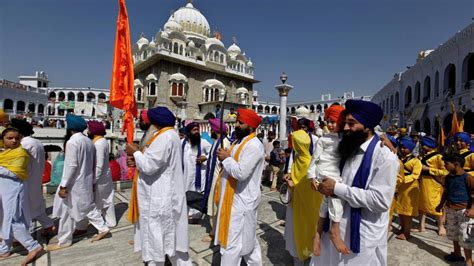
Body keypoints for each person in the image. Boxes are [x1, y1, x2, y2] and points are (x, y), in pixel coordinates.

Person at [312, 99, 399, 265]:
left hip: (362, 236)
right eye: (345, 123)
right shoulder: (347, 147)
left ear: (367, 126)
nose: (345, 128)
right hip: (336, 228)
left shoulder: (384, 156)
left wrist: (336, 188)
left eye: (351, 124)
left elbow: (380, 201)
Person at [126, 107, 191, 265]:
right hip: (162, 194)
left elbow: (149, 166)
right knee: (167, 241)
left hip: (159, 197)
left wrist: (135, 152)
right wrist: (138, 158)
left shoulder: (164, 137)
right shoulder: (169, 135)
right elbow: (155, 161)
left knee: (157, 239)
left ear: (154, 123)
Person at [48, 114, 109, 251]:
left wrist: (64, 185)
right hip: (85, 180)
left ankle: (64, 241)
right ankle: (103, 228)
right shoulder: (88, 141)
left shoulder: (72, 142)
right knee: (87, 206)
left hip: (73, 182)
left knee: (66, 211)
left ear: (69, 127)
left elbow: (71, 165)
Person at [215, 108, 264, 265]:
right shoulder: (238, 142)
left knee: (232, 243)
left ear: (250, 127)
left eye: (240, 123)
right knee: (248, 240)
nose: (236, 125)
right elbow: (230, 164)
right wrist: (223, 157)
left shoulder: (254, 146)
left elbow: (241, 172)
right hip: (233, 200)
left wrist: (226, 159)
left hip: (242, 202)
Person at [0, 127, 46, 264]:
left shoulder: (21, 153)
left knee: (13, 221)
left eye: (17, 138)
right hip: (5, 191)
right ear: (2, 140)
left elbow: (14, 173)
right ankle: (4, 249)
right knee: (5, 219)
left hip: (14, 191)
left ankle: (33, 246)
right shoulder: (6, 153)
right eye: (10, 138)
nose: (14, 140)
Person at [284, 117, 322, 264]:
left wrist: (293, 184)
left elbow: (307, 184)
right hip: (297, 204)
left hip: (304, 206)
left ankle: (303, 255)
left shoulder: (307, 162)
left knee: (301, 231)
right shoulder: (302, 158)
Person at [11, 118, 55, 236]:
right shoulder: (37, 142)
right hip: (36, 178)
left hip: (27, 180)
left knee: (24, 209)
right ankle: (48, 226)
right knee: (37, 207)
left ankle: (23, 236)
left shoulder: (24, 144)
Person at [313, 104, 347, 255]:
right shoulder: (323, 140)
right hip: (325, 171)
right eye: (329, 122)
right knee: (336, 197)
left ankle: (317, 234)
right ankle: (335, 231)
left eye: (335, 122)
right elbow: (314, 160)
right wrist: (312, 177)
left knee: (325, 203)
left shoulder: (344, 139)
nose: (331, 125)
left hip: (335, 171)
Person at [436, 154, 474, 265]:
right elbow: (446, 192)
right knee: (454, 232)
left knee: (466, 236)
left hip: (464, 211)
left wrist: (472, 209)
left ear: (456, 164)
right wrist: (441, 205)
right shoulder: (448, 177)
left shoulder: (468, 178)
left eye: (446, 164)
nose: (444, 166)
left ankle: (469, 262)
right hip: (451, 209)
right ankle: (457, 254)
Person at [201, 118, 230, 243]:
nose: (211, 130)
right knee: (212, 205)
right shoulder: (217, 141)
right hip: (212, 178)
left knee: (216, 206)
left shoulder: (224, 143)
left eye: (212, 128)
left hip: (218, 179)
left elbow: (225, 163)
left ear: (215, 129)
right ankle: (215, 230)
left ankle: (215, 233)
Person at [415, 136, 448, 235]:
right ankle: (421, 226)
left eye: (424, 145)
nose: (422, 147)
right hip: (422, 183)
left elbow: (445, 171)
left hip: (434, 185)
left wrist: (428, 169)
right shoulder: (421, 156)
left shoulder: (439, 157)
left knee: (436, 205)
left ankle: (441, 226)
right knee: (421, 205)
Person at [87, 120, 116, 228]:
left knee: (97, 202)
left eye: (89, 129)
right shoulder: (102, 141)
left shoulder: (98, 144)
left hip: (100, 178)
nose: (87, 131)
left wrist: (93, 181)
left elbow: (98, 165)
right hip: (105, 176)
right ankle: (111, 222)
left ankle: (100, 225)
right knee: (107, 200)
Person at [182, 121, 211, 223]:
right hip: (185, 174)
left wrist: (205, 157)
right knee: (185, 191)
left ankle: (196, 215)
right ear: (189, 131)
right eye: (194, 130)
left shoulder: (203, 142)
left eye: (198, 129)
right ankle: (186, 213)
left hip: (199, 174)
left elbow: (213, 152)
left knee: (197, 192)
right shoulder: (182, 143)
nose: (197, 131)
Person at [393, 136, 421, 240]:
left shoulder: (415, 161)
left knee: (407, 212)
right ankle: (403, 228)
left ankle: (407, 232)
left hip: (410, 188)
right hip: (400, 188)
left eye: (405, 147)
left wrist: (402, 179)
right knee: (400, 210)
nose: (403, 149)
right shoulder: (399, 159)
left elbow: (415, 175)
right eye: (401, 147)